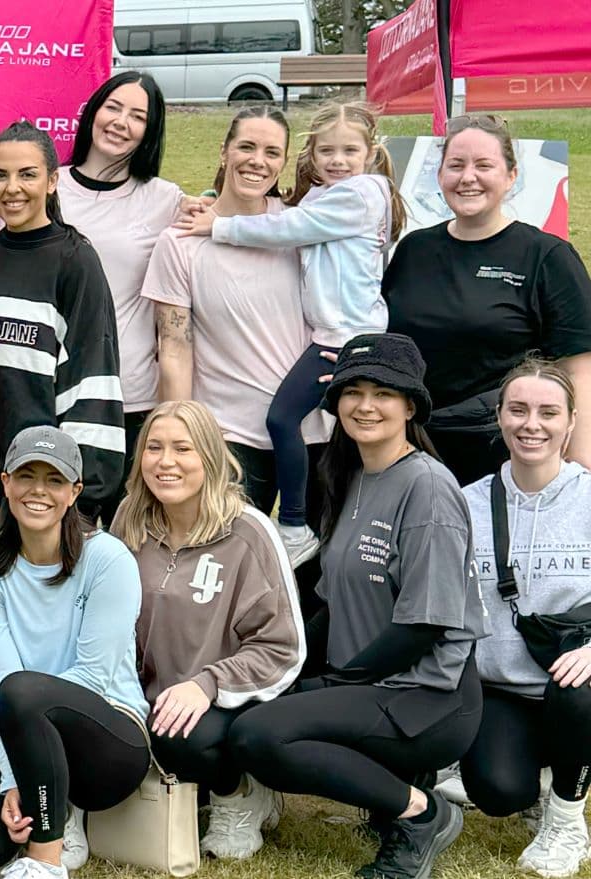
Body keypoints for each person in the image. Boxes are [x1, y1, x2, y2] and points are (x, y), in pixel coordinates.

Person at [231, 334, 484, 879]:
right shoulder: (352, 476)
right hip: (375, 681)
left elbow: (424, 625)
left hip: (427, 697)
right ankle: (395, 795)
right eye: (354, 391)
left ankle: (422, 814)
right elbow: (330, 604)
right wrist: (284, 669)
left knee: (261, 735)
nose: (366, 405)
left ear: (410, 406)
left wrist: (334, 683)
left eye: (383, 393)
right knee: (262, 707)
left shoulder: (428, 489)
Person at [179, 102, 404, 566]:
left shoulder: (360, 194)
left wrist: (218, 227)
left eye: (349, 150)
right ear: (312, 154)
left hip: (344, 338)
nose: (337, 160)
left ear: (370, 152)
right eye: (327, 151)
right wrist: (208, 198)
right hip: (333, 332)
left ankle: (296, 524)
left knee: (284, 420)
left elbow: (289, 225)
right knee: (329, 437)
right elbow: (282, 209)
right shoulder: (328, 193)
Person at [0, 426, 148, 879]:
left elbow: (92, 677)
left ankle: (47, 860)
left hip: (108, 738)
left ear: (74, 493)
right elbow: (2, 677)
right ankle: (50, 805)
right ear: (6, 482)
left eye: (54, 480)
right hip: (22, 731)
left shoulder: (108, 559)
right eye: (26, 476)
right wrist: (15, 780)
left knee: (24, 692)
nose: (39, 491)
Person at [112, 401, 305, 861]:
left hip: (225, 701)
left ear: (212, 458)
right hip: (145, 695)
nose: (166, 461)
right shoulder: (129, 521)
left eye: (184, 448)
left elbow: (284, 648)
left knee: (182, 738)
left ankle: (240, 794)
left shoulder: (249, 532)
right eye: (154, 448)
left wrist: (208, 684)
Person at [0, 122, 123, 521]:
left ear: (51, 181)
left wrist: (79, 502)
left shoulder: (75, 262)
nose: (11, 188)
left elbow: (91, 381)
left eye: (27, 174)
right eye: (0, 176)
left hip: (43, 495)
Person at [384, 114, 591, 486]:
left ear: (511, 177)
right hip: (415, 450)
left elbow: (579, 367)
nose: (468, 177)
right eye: (456, 165)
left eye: (484, 165)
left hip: (505, 454)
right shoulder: (413, 250)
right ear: (440, 175)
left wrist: (580, 464)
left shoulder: (547, 257)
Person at [148, 106, 326, 511]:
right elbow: (174, 348)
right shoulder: (180, 242)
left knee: (318, 563)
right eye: (246, 147)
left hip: (312, 429)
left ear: (283, 162)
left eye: (271, 152)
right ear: (224, 152)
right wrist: (180, 436)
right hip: (229, 436)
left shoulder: (301, 229)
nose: (257, 161)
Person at [453, 358, 591, 877]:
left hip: (577, 681)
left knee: (577, 690)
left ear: (570, 423)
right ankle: (540, 778)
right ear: (500, 417)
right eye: (519, 410)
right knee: (497, 792)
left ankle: (566, 819)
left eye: (548, 412)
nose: (532, 424)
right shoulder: (467, 504)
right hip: (503, 687)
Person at [58, 72, 184, 513]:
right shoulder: (47, 187)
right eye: (113, 107)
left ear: (150, 131)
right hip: (51, 390)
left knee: (126, 534)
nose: (120, 122)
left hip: (129, 395)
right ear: (93, 111)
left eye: (138, 116)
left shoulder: (165, 200)